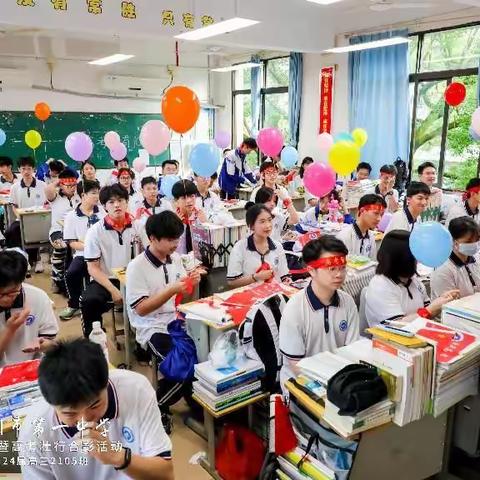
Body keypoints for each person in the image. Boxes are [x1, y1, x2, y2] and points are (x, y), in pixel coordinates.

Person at [18, 338, 174, 480]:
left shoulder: (136, 389)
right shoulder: (34, 430)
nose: (85, 420)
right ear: (51, 404)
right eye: (70, 413)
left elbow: (165, 474)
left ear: (106, 383)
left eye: (95, 405)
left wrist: (118, 457)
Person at [126, 212, 204, 432]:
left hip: (176, 322)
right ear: (152, 238)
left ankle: (190, 399)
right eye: (170, 240)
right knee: (182, 368)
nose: (175, 244)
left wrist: (191, 285)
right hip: (150, 327)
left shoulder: (176, 260)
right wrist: (171, 289)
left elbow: (183, 301)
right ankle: (156, 407)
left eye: (177, 239)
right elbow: (141, 310)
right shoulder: (136, 267)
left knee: (202, 359)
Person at [279, 236, 359, 388]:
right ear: (311, 271)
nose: (339, 274)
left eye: (342, 268)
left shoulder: (347, 302)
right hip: (301, 384)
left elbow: (352, 350)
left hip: (338, 381)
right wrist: (323, 390)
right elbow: (296, 366)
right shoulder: (295, 309)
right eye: (332, 269)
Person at [81, 184, 140, 337]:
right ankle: (93, 341)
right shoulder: (95, 231)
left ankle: (144, 343)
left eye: (120, 200)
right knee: (89, 301)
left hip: (134, 278)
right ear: (104, 206)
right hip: (108, 279)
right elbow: (93, 268)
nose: (117, 205)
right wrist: (113, 290)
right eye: (111, 202)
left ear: (127, 202)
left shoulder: (138, 226)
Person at [365, 230, 459, 327]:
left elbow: (427, 311)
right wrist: (429, 310)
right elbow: (396, 326)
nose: (418, 261)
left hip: (418, 334)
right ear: (402, 259)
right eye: (414, 257)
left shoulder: (413, 280)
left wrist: (441, 301)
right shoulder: (381, 286)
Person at [0, 249, 58, 365]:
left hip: (30, 369)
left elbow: (52, 344)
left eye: (11, 293)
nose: (5, 299)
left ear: (21, 282)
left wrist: (42, 344)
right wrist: (10, 329)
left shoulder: (38, 297)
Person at [61, 180, 104, 321]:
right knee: (71, 273)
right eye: (93, 193)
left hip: (103, 253)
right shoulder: (71, 216)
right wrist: (89, 246)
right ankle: (73, 304)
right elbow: (72, 242)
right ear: (83, 195)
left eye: (98, 192)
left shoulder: (103, 212)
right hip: (82, 254)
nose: (97, 196)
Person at [227, 204, 290, 287]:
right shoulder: (240, 247)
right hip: (250, 295)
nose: (268, 225)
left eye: (269, 220)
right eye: (262, 221)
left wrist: (287, 282)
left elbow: (284, 275)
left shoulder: (277, 246)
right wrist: (255, 277)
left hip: (274, 294)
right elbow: (232, 282)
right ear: (252, 226)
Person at [5, 157, 47, 272]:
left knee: (35, 232)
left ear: (34, 169)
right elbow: (14, 205)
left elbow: (47, 204)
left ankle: (37, 259)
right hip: (22, 219)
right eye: (23, 169)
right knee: (11, 232)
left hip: (40, 219)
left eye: (29, 168)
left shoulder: (42, 185)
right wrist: (19, 216)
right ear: (19, 169)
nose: (26, 172)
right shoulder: (15, 187)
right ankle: (23, 259)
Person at [45, 168, 81, 293]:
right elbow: (48, 190)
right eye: (68, 185)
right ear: (61, 185)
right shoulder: (55, 197)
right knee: (62, 245)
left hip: (76, 231)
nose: (72, 188)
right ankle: (56, 278)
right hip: (58, 231)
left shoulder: (79, 196)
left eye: (74, 185)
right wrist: (58, 181)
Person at [431, 217, 480, 299]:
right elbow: (449, 305)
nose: (474, 244)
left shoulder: (475, 259)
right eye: (468, 241)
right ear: (454, 241)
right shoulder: (443, 269)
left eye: (477, 240)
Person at [337, 194, 386, 260]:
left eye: (381, 215)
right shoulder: (344, 236)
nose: (379, 219)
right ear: (362, 210)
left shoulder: (371, 236)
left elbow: (372, 263)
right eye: (376, 213)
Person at [134, 176, 173, 249]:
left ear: (158, 189)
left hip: (164, 242)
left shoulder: (166, 204)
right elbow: (137, 229)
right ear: (142, 191)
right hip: (146, 245)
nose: (152, 191)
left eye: (154, 188)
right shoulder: (139, 208)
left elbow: (171, 223)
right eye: (148, 189)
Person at [172, 180, 207, 255]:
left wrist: (205, 224)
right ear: (176, 201)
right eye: (184, 198)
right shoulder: (172, 219)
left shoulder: (201, 215)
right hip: (178, 261)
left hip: (200, 261)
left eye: (192, 196)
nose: (189, 200)